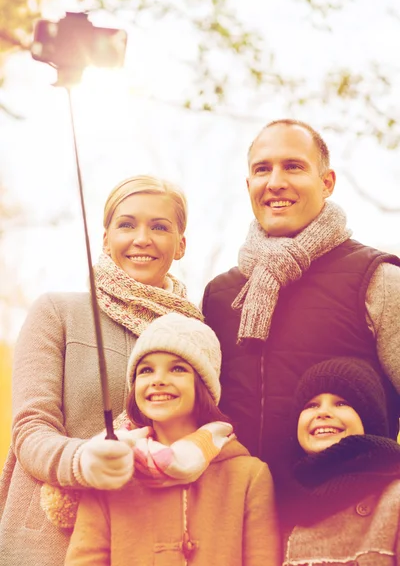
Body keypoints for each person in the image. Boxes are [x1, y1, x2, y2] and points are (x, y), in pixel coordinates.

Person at [0, 175, 204, 566]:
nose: (142, 238)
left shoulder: (198, 337)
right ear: (106, 239)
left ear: (180, 244)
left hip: (145, 542)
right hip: (47, 543)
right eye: (127, 225)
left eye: (159, 226)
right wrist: (81, 460)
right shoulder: (57, 313)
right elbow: (29, 428)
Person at [202, 118, 400, 491]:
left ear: (327, 183)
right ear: (249, 185)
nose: (275, 181)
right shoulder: (219, 295)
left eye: (293, 166)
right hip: (239, 521)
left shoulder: (376, 278)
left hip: (347, 523)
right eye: (263, 169)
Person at [65, 313, 281, 566]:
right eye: (146, 370)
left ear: (204, 385)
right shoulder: (111, 468)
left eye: (178, 368)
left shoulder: (249, 475)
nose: (158, 380)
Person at [283, 357, 400, 565]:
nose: (323, 413)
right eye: (311, 405)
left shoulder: (394, 497)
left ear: (369, 419)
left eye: (341, 403)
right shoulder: (281, 500)